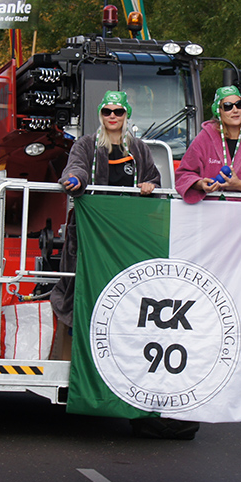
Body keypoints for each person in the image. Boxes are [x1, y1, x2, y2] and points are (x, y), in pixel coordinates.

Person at [50, 90, 161, 329]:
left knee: (125, 287)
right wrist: (75, 179)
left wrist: (150, 186)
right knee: (85, 283)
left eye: (118, 111)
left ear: (126, 114)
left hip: (126, 232)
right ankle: (79, 335)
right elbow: (76, 167)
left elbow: (154, 179)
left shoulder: (139, 149)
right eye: (107, 111)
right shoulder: (86, 144)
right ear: (101, 114)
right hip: (91, 231)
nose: (112, 116)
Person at [175, 85, 241, 203]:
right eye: (228, 106)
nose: (235, 110)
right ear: (218, 111)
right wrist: (200, 184)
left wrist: (240, 185)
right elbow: (183, 175)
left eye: (239, 105)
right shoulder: (205, 138)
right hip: (211, 209)